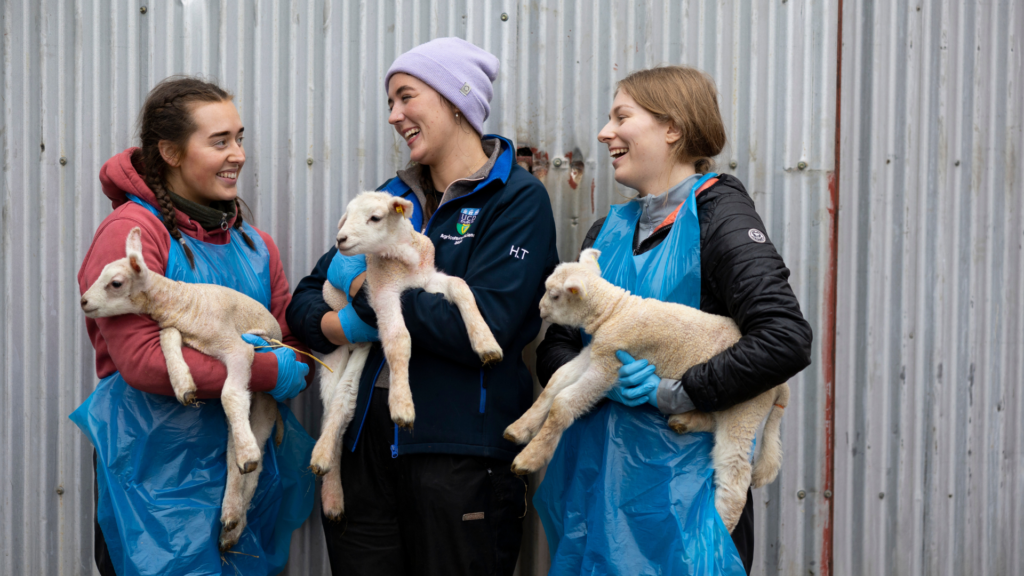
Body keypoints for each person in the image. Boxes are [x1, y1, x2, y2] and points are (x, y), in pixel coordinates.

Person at [286, 37, 559, 576]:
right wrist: (335, 323)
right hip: (366, 451)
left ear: (455, 101)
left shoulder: (516, 199)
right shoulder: (386, 198)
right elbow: (303, 301)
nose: (394, 115)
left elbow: (487, 330)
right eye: (390, 103)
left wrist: (368, 293)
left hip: (460, 455)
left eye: (406, 97)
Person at [534, 66, 813, 575]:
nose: (603, 132)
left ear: (673, 128)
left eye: (621, 116)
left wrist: (675, 392)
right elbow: (556, 344)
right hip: (594, 498)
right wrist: (603, 380)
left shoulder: (720, 214)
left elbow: (784, 339)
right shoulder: (608, 229)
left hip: (682, 506)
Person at [70, 76, 316, 576]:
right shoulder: (133, 236)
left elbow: (289, 342)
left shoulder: (255, 245)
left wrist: (294, 362)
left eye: (240, 138)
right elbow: (142, 362)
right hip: (155, 480)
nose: (239, 154)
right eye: (219, 141)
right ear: (171, 152)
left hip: (241, 475)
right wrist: (268, 372)